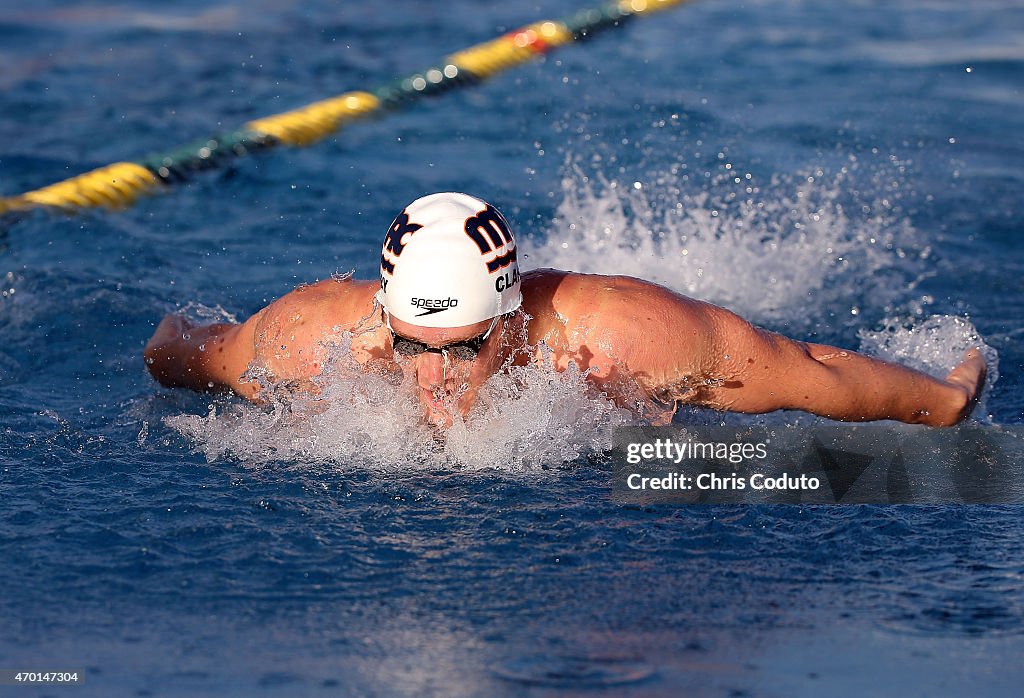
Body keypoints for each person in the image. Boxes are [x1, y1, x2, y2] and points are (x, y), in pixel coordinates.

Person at [144, 192, 986, 428]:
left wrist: (940, 401)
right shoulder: (311, 338)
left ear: (510, 319)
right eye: (415, 346)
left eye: (466, 349)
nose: (435, 377)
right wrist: (165, 347)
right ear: (385, 316)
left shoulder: (617, 336)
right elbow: (182, 351)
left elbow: (807, 370)